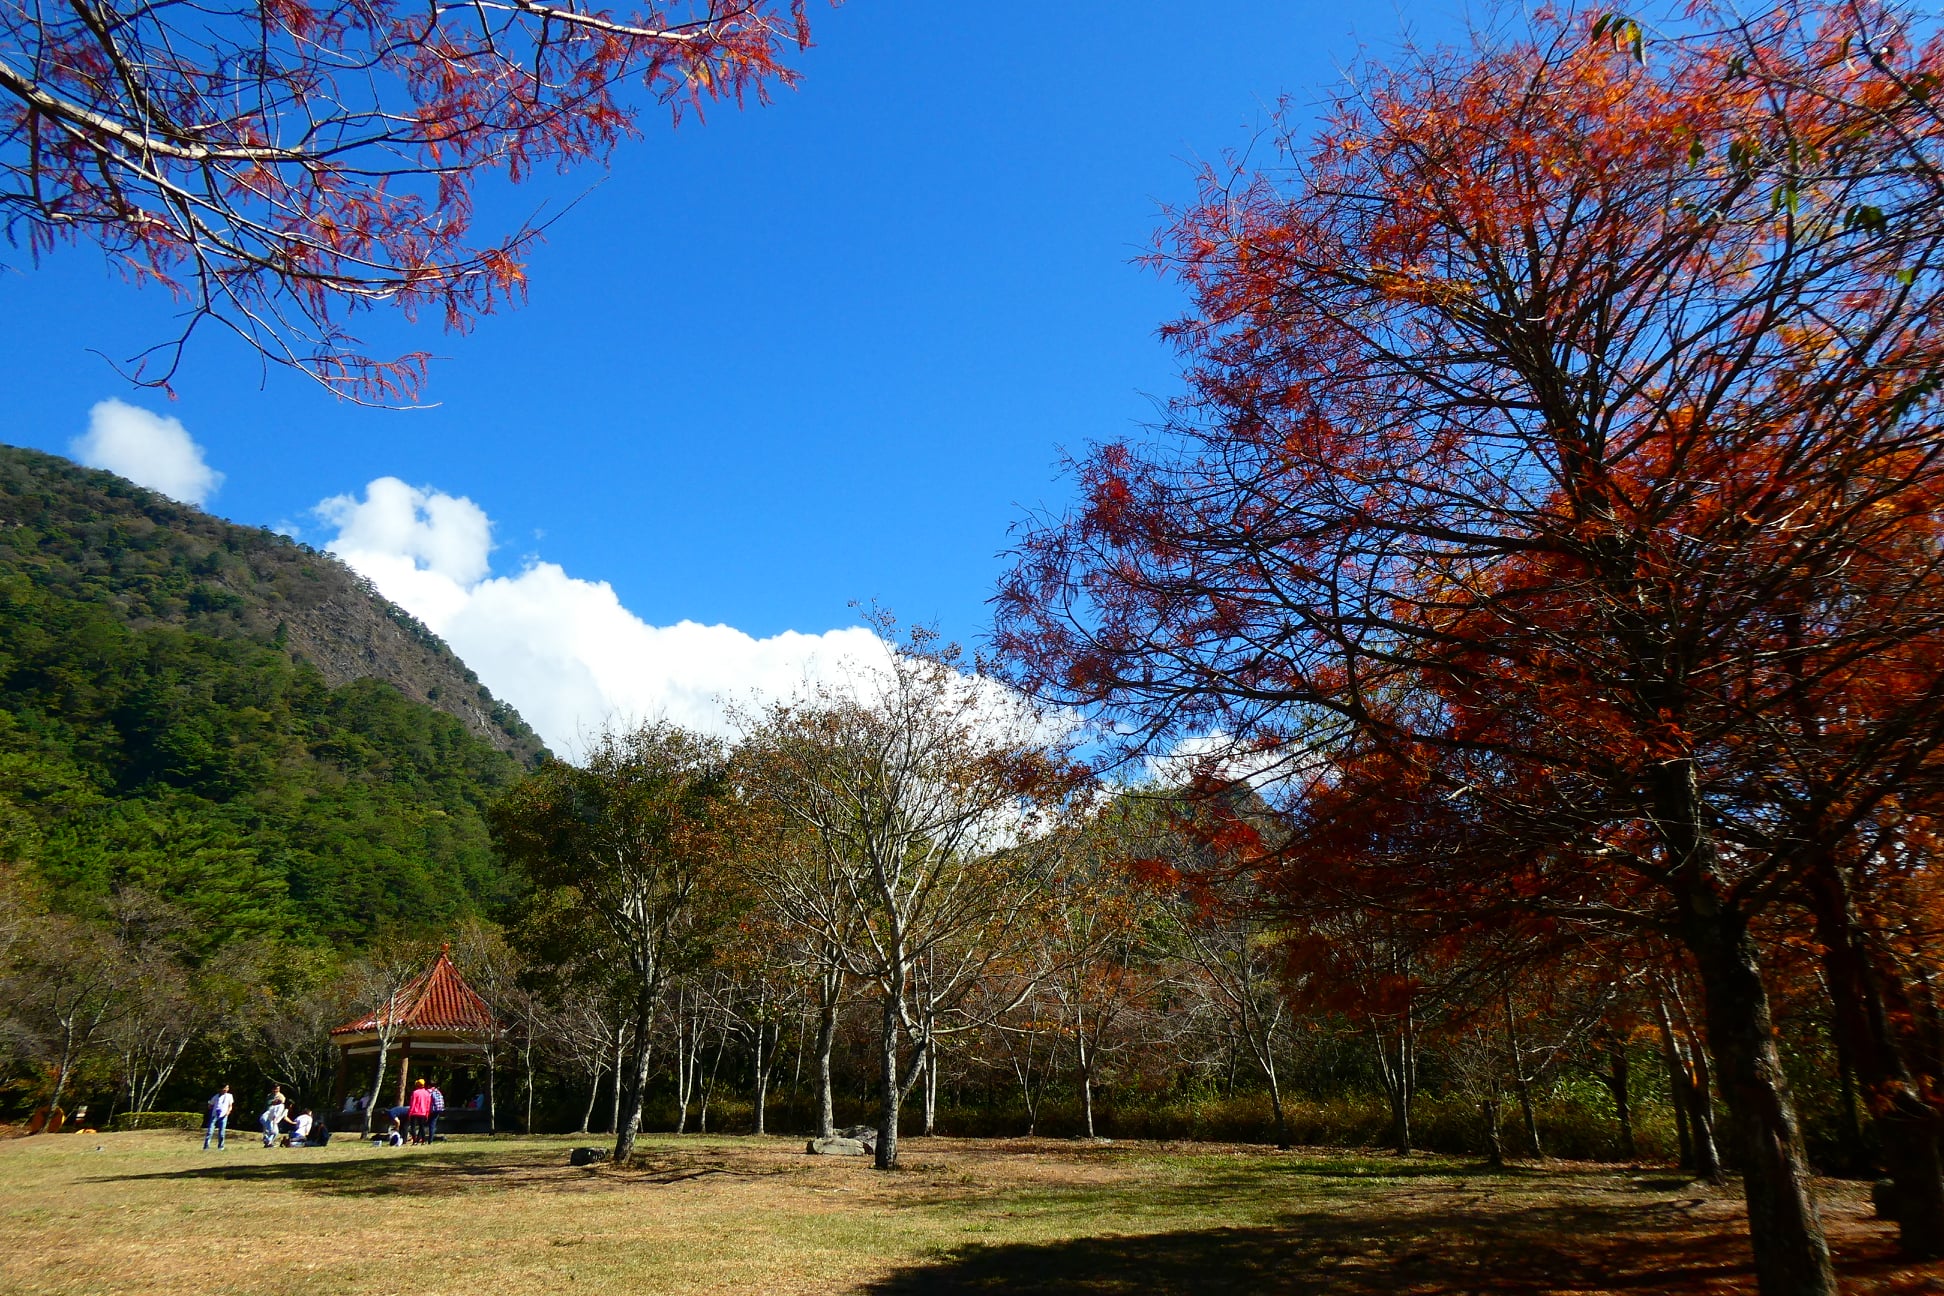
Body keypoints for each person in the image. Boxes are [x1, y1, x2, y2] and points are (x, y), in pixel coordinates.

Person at [203, 1085, 234, 1150]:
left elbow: (230, 1106)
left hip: (223, 1116)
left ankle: (221, 1147)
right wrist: (210, 1106)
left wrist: (228, 1112)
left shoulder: (229, 1096)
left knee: (222, 1132)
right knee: (210, 1131)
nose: (226, 1089)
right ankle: (206, 1147)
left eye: (227, 1088)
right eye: (224, 1088)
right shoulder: (216, 1096)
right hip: (215, 1115)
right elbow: (210, 1105)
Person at [405, 1077, 433, 1144]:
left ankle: (415, 1141)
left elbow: (413, 1103)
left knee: (413, 1127)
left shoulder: (415, 1093)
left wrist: (410, 1112)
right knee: (422, 1127)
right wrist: (427, 1113)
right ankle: (423, 1140)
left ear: (417, 1085)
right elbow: (428, 1104)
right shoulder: (427, 1093)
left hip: (414, 1112)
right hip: (423, 1112)